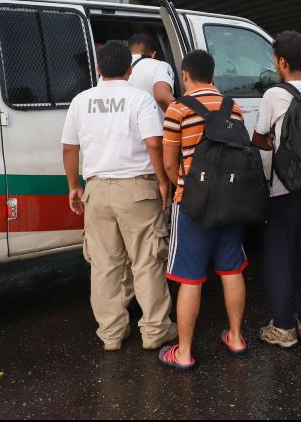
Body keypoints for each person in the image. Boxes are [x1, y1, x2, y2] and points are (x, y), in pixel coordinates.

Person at [61, 40, 176, 352]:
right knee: (147, 260)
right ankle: (154, 331)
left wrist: (74, 185)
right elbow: (154, 143)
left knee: (105, 265)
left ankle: (111, 334)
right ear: (130, 69)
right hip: (137, 189)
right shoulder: (139, 99)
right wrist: (163, 181)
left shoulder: (80, 101)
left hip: (96, 190)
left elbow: (70, 147)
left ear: (98, 69)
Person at [158, 50, 249, 369]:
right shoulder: (233, 107)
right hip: (231, 200)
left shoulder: (178, 109)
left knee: (190, 278)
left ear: (185, 76)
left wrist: (183, 186)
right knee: (232, 270)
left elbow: (169, 162)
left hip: (193, 203)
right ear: (213, 75)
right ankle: (236, 337)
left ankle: (183, 352)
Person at [251, 31, 301, 348]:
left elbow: (258, 138)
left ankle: (282, 327)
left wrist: (276, 143)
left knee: (281, 256)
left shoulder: (273, 95)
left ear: (281, 61)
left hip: (285, 189)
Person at [121, 33, 177, 309]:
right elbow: (162, 95)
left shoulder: (111, 75)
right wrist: (184, 115)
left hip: (117, 166)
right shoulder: (158, 66)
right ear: (153, 53)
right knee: (150, 243)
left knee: (120, 247)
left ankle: (126, 300)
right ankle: (153, 310)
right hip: (148, 163)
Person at [128, 34, 176, 112]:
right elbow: (162, 97)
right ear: (153, 54)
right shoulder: (160, 66)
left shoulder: (114, 69)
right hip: (152, 122)